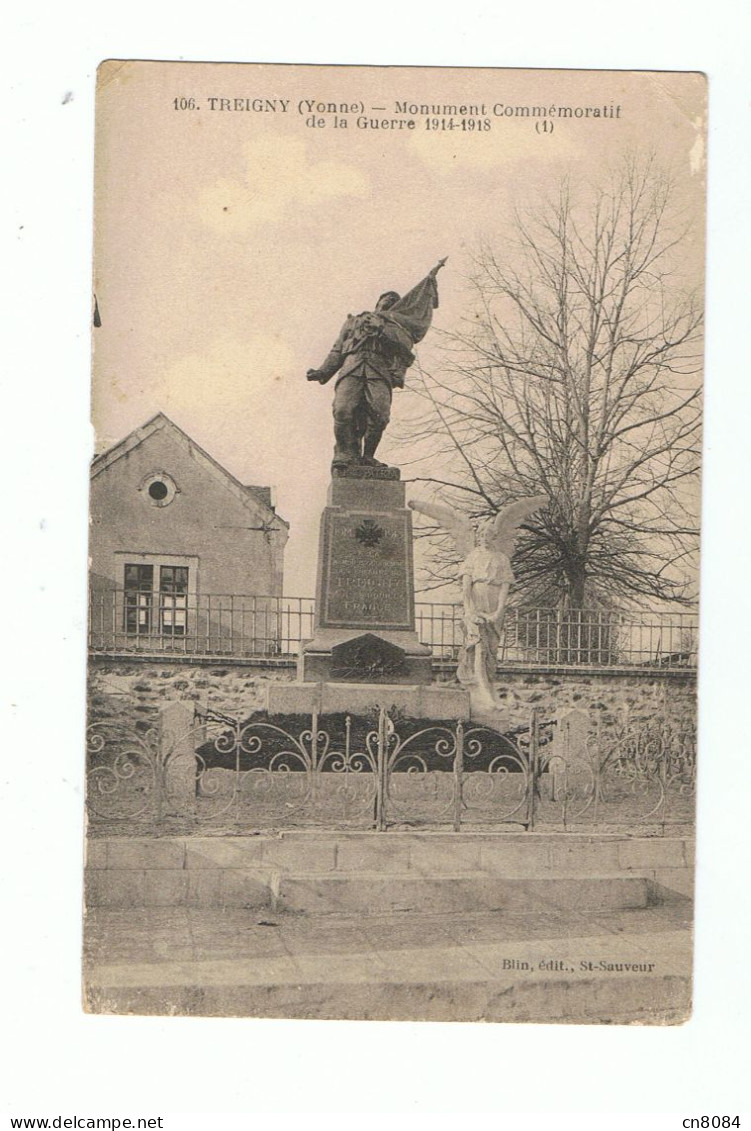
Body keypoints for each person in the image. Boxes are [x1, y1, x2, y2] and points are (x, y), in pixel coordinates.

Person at [307, 258, 446, 469]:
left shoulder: (396, 326)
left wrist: (382, 330)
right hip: (352, 367)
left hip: (379, 371)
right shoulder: (354, 321)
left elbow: (403, 347)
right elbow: (337, 349)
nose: (389, 301)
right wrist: (322, 371)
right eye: (385, 298)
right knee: (342, 411)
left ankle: (368, 457)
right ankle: (344, 454)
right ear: (377, 302)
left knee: (380, 416)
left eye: (394, 300)